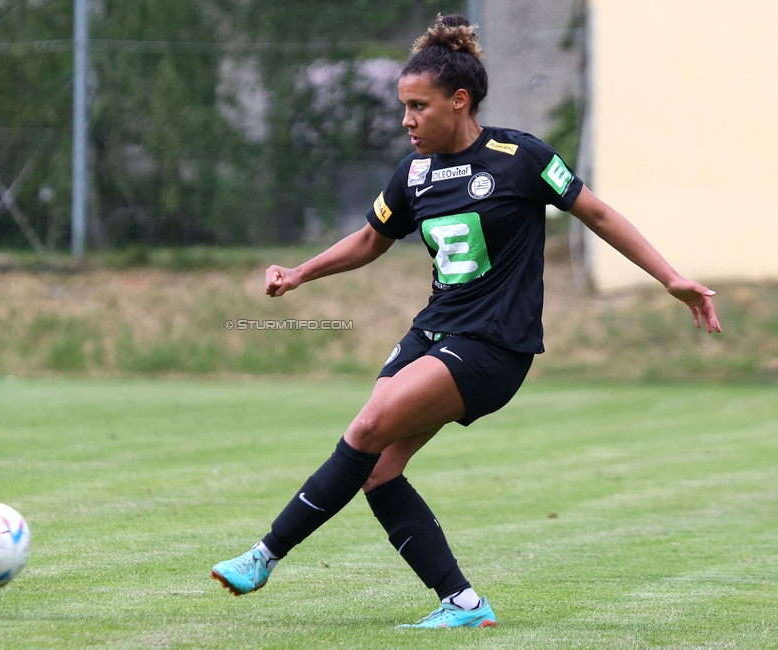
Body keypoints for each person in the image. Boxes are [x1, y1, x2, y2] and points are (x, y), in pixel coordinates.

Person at [210, 13, 722, 629]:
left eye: (418, 106)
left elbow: (600, 215)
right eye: (403, 107)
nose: (407, 121)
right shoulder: (414, 174)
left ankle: (266, 554)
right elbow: (370, 241)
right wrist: (299, 273)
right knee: (377, 468)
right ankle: (464, 604)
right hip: (432, 331)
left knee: (368, 424)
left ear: (459, 101)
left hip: (493, 346)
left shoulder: (520, 157)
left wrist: (669, 277)